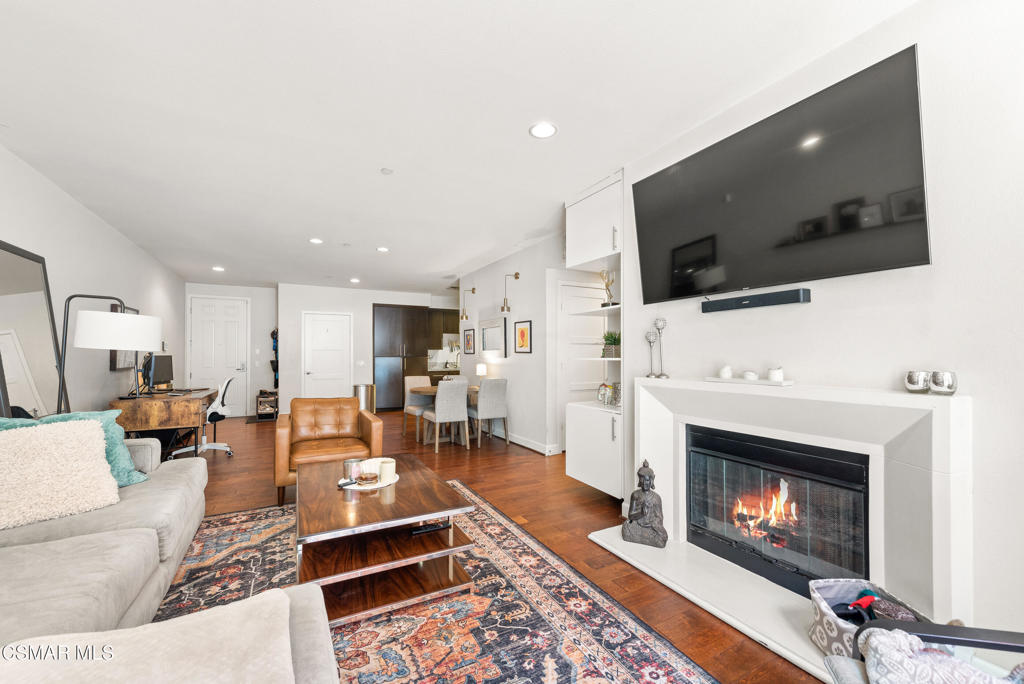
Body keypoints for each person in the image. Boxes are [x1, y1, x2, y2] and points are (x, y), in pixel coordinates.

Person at [621, 460, 668, 548]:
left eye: (646, 480)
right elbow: (630, 516)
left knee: (663, 537)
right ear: (639, 480)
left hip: (651, 527)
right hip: (637, 525)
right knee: (626, 527)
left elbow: (660, 518)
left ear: (651, 481)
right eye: (642, 480)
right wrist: (641, 513)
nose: (644, 483)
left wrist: (652, 523)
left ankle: (646, 537)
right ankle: (646, 538)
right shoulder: (635, 495)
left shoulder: (656, 498)